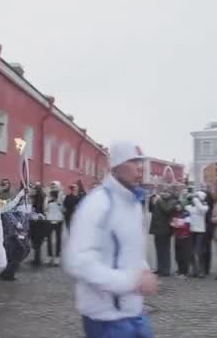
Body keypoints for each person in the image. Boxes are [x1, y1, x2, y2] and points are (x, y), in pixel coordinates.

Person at [64, 141, 156, 338]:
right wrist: (130, 281)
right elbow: (78, 262)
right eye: (132, 161)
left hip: (134, 311)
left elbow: (131, 250)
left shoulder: (133, 203)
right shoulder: (97, 204)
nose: (140, 168)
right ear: (116, 166)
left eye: (140, 161)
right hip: (105, 317)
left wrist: (145, 270)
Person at [148, 188, 177, 277]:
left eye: (166, 192)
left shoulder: (172, 201)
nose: (164, 194)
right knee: (159, 250)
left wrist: (159, 200)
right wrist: (151, 200)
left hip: (165, 229)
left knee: (165, 250)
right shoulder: (160, 201)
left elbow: (167, 209)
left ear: (170, 193)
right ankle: (160, 268)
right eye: (163, 192)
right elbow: (151, 209)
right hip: (157, 228)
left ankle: (166, 270)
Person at [186, 191, 208, 278]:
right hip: (192, 230)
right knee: (191, 252)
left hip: (200, 231)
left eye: (197, 197)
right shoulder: (190, 207)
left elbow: (201, 209)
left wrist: (196, 199)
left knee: (199, 252)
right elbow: (186, 206)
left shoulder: (205, 206)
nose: (194, 199)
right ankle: (194, 270)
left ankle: (201, 271)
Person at [29, 182, 48, 267]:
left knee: (37, 241)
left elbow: (40, 209)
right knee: (36, 241)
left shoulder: (40, 197)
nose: (33, 189)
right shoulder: (36, 197)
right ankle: (36, 259)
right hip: (36, 220)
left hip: (38, 221)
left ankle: (37, 260)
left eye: (35, 188)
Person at [45, 181, 65, 266]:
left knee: (58, 240)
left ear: (58, 187)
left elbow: (63, 209)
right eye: (52, 187)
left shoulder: (62, 196)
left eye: (55, 186)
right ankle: (49, 256)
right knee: (49, 239)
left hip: (59, 220)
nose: (53, 188)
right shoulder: (47, 197)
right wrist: (49, 199)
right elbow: (45, 208)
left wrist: (58, 200)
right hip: (49, 219)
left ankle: (57, 257)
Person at [171, 204, 191, 278]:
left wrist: (178, 225)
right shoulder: (175, 214)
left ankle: (184, 272)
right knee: (178, 256)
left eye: (179, 205)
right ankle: (179, 270)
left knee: (184, 255)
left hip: (184, 237)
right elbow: (172, 224)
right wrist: (175, 225)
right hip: (177, 236)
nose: (177, 206)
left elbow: (187, 225)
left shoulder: (186, 213)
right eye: (177, 205)